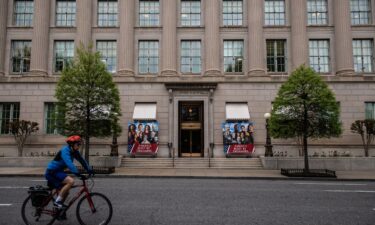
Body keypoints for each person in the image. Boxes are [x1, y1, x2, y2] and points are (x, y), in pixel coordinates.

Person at [45, 135, 93, 212]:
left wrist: (89, 170)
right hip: (52, 172)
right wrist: (77, 173)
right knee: (71, 181)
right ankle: (57, 203)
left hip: (58, 171)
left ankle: (59, 212)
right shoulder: (65, 150)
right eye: (78, 144)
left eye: (79, 144)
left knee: (66, 192)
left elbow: (82, 161)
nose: (79, 146)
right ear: (72, 144)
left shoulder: (74, 152)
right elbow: (69, 163)